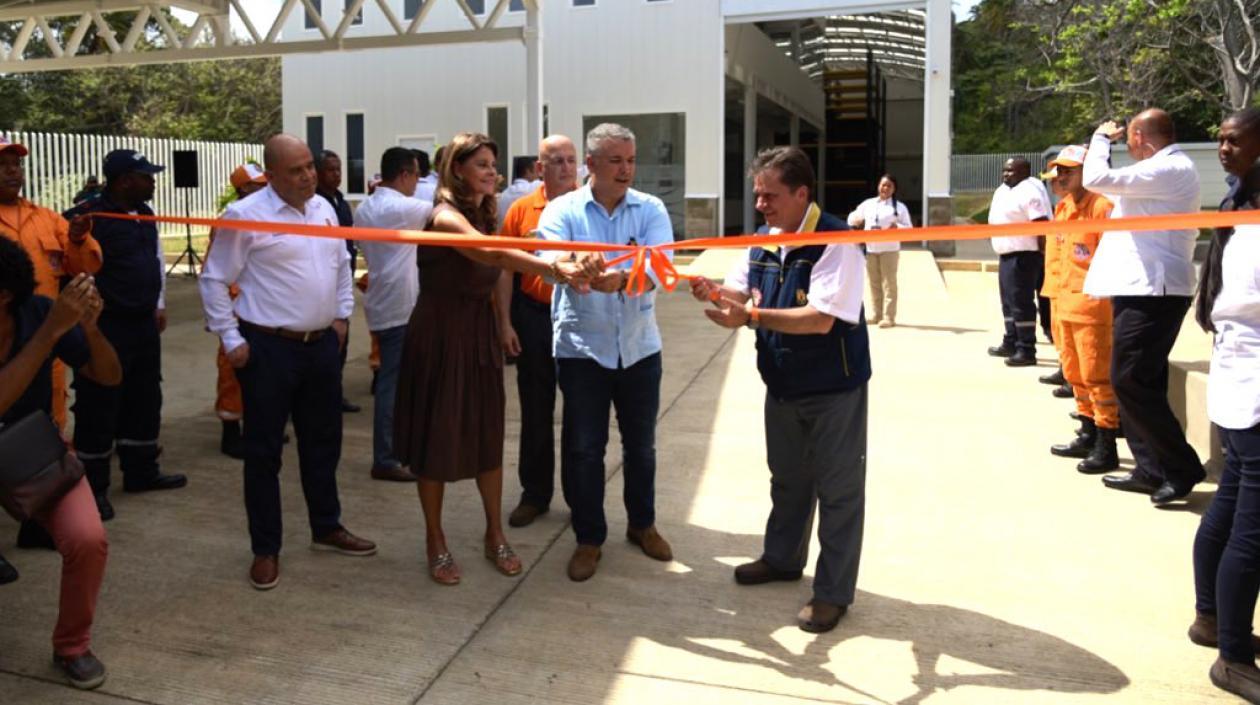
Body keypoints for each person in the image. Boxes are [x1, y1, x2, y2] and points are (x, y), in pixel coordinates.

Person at [393, 132, 599, 586]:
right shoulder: (446, 218)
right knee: (437, 441)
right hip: (442, 336)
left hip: (478, 334)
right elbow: (491, 253)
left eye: (493, 164)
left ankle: (494, 534)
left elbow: (502, 260)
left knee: (487, 437)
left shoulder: (487, 213)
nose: (492, 171)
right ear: (457, 170)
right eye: (482, 164)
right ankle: (435, 539)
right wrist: (552, 268)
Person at [690, 146, 870, 634]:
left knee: (838, 492)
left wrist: (749, 315)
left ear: (801, 193)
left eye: (770, 196)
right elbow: (739, 290)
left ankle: (832, 593)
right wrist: (711, 291)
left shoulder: (836, 241)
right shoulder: (765, 241)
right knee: (788, 479)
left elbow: (820, 319)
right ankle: (783, 559)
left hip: (834, 388)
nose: (761, 206)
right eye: (757, 195)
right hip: (783, 384)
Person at [200, 134, 377, 591]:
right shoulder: (245, 216)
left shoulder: (322, 208)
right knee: (263, 453)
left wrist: (340, 318)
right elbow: (214, 280)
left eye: (309, 167)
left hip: (320, 348)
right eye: (296, 170)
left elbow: (342, 264)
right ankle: (265, 549)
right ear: (272, 175)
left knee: (324, 442)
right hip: (269, 349)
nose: (307, 176)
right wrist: (231, 338)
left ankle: (326, 525)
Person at [537, 123, 675, 583]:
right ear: (591, 165)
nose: (626, 170)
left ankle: (642, 525)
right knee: (584, 449)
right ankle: (588, 538)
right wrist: (579, 269)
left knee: (642, 447)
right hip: (583, 350)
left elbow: (660, 268)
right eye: (616, 161)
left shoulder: (650, 209)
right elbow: (551, 260)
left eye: (631, 160)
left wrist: (624, 279)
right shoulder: (562, 210)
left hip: (639, 348)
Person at [0, 238, 120, 689]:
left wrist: (89, 328)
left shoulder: (36, 312)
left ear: (5, 295)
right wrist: (52, 332)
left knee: (88, 538)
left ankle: (72, 645)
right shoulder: (46, 322)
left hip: (31, 451)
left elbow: (108, 376)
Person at [1083, 109, 1206, 505]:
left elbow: (1096, 178)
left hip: (1156, 291)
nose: (1126, 146)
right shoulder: (1156, 172)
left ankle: (1181, 467)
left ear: (1138, 136)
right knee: (1138, 381)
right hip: (1141, 289)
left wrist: (1100, 139)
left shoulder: (1170, 169)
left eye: (1127, 139)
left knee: (1129, 379)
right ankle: (1150, 468)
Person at [64, 150, 186, 522]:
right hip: (105, 327)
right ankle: (94, 489)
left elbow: (154, 260)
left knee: (145, 397)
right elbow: (70, 257)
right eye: (145, 175)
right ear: (124, 180)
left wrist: (159, 303)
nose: (152, 181)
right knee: (99, 405)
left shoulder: (145, 215)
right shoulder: (90, 217)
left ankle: (141, 471)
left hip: (143, 324)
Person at [1187, 106, 1260, 703]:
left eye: (1233, 140)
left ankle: (1211, 616)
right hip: (1252, 379)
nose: (1224, 149)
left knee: (1233, 495)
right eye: (1222, 139)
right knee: (1252, 530)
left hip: (1242, 374)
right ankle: (1232, 655)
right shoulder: (1247, 213)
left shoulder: (1244, 206)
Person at [495, 135, 580, 527]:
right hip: (535, 317)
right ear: (539, 168)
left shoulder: (590, 206)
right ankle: (535, 494)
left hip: (581, 319)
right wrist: (505, 322)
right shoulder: (521, 210)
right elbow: (505, 267)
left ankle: (581, 497)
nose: (565, 167)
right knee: (535, 409)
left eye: (571, 160)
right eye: (556, 161)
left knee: (582, 413)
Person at [0, 136, 100, 431]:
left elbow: (86, 268)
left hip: (46, 337)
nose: (12, 171)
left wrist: (78, 239)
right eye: (2, 165)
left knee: (45, 427)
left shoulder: (47, 218)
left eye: (16, 164)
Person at [1040, 145, 1119, 473]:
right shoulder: (1063, 208)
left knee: (1096, 377)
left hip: (1091, 307)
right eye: (1058, 171)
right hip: (1061, 301)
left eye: (1068, 170)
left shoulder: (1102, 207)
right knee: (1074, 374)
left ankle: (1106, 443)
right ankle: (1087, 432)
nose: (1060, 177)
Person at [354, 147, 430, 482]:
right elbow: (445, 210)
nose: (418, 182)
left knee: (394, 382)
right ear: (403, 174)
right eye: (416, 175)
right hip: (400, 305)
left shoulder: (366, 206)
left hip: (384, 300)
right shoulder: (400, 207)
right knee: (393, 385)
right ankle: (386, 456)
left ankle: (395, 451)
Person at [208, 163, 269, 459]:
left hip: (260, 308)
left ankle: (256, 427)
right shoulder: (231, 220)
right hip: (236, 308)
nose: (263, 187)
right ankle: (230, 434)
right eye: (257, 183)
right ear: (242, 188)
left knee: (261, 372)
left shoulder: (264, 216)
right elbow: (216, 272)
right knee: (232, 372)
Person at [986, 157, 1052, 366]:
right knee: (1008, 302)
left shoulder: (1030, 190)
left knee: (1021, 302)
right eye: (1004, 171)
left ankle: (1026, 348)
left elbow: (1040, 223)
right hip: (1006, 254)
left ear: (1024, 172)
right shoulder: (1003, 190)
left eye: (1011, 171)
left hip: (1025, 255)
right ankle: (1011, 340)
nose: (1005, 174)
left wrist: (1043, 252)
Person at [314, 149, 361, 414]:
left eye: (339, 169)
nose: (337, 174)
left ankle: (335, 394)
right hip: (321, 285)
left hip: (342, 282)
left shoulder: (340, 201)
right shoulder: (315, 203)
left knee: (341, 343)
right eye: (331, 170)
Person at [846, 173, 911, 328]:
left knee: (889, 283)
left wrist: (898, 227)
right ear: (878, 186)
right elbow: (851, 218)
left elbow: (909, 229)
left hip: (889, 250)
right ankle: (876, 314)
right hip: (871, 249)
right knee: (874, 283)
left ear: (894, 189)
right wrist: (855, 220)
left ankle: (889, 317)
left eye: (889, 185)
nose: (885, 188)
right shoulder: (868, 204)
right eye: (883, 185)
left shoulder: (899, 207)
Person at [498, 155, 539, 222]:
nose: (538, 175)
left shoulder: (503, 195)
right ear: (528, 171)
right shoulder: (534, 187)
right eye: (537, 171)